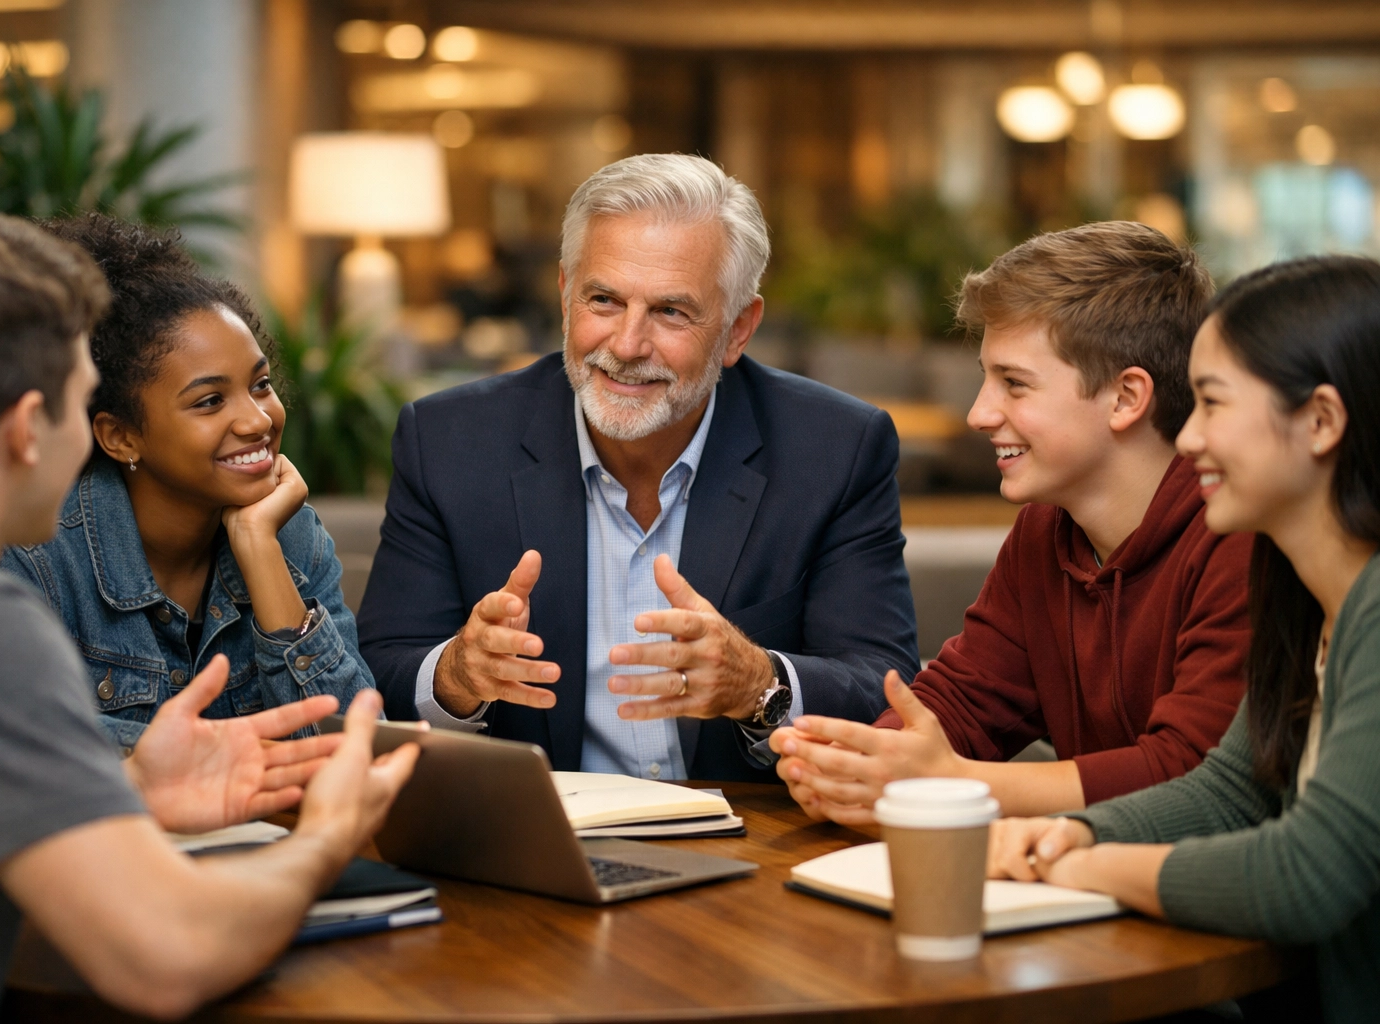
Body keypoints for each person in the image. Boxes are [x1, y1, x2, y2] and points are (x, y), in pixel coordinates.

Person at [0, 212, 417, 1024]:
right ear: (27, 430)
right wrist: (327, 839)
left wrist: (130, 784)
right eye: (81, 404)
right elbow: (166, 957)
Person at [358, 153, 921, 782]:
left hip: (751, 826)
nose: (626, 345)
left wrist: (758, 684)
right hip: (540, 825)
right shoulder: (449, 442)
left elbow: (884, 691)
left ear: (738, 329)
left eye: (671, 311)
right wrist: (456, 675)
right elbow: (377, 674)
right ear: (565, 296)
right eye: (603, 300)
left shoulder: (835, 449)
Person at [988, 255, 1380, 1022]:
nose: (1189, 435)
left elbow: (1308, 875)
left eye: (1212, 403)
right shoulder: (1301, 592)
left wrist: (1089, 867)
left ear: (1322, 421)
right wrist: (1068, 834)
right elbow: (1231, 791)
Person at [772, 222, 1250, 821]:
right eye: (985, 377)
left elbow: (1194, 774)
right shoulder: (1046, 528)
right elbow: (965, 699)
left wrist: (952, 783)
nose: (977, 413)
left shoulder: (1240, 535)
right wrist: (864, 763)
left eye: (1014, 384)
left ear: (1127, 397)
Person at [1, 214, 374, 752]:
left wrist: (259, 548)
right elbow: (28, 745)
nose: (258, 420)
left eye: (260, 384)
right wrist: (221, 757)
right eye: (210, 401)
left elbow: (354, 744)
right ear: (121, 437)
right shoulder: (40, 555)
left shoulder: (290, 533)